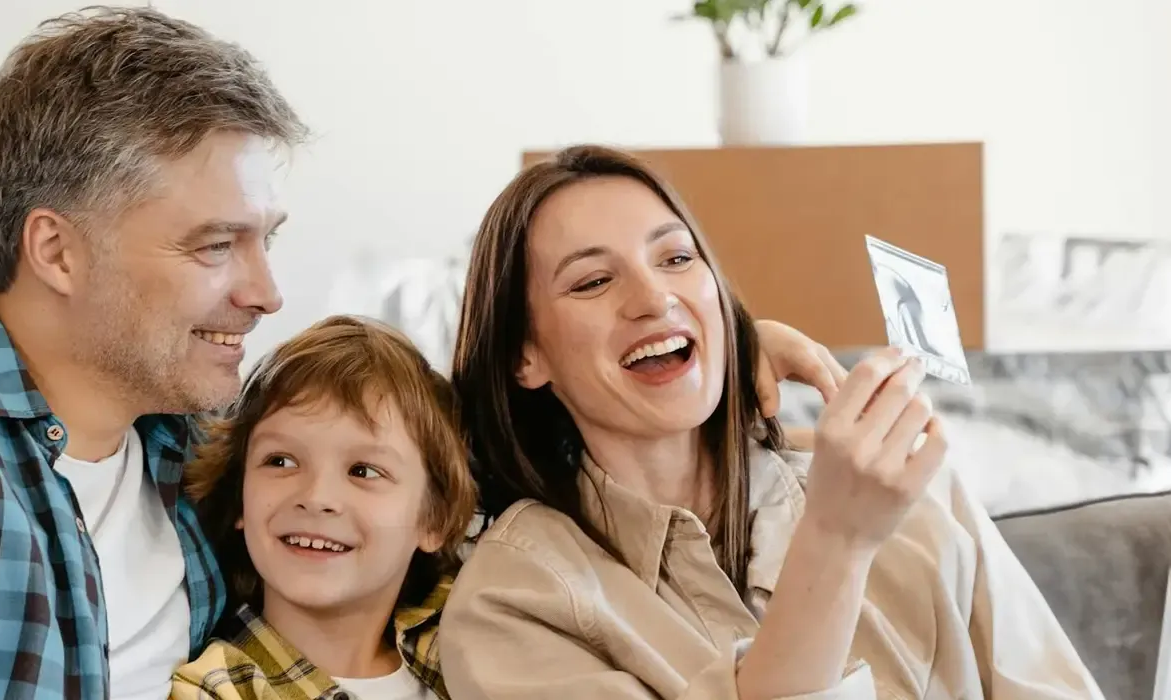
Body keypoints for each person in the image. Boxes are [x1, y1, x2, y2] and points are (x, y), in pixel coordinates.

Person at [0, 8, 849, 699]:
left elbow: (414, 465)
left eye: (266, 241)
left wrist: (699, 372)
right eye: (216, 245)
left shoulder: (202, 451)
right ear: (54, 249)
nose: (263, 292)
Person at [438, 144, 1103, 699]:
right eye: (591, 282)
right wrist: (837, 542)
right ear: (524, 354)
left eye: (676, 258)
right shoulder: (512, 601)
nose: (654, 298)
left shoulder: (911, 492)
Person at [170, 315, 476, 700]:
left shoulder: (472, 639)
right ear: (239, 497)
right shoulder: (215, 691)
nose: (316, 498)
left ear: (436, 519)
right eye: (280, 461)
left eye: (363, 471)